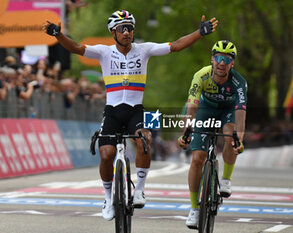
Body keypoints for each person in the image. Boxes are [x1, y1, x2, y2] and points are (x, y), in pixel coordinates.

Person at [42, 10, 218, 221]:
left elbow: (176, 45)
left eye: (130, 28)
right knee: (106, 155)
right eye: (121, 28)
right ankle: (108, 197)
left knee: (144, 141)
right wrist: (58, 35)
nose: (127, 32)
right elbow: (77, 48)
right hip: (113, 111)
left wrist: (199, 33)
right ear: (113, 32)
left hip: (135, 110)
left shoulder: (144, 50)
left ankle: (140, 189)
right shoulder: (103, 52)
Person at [178, 40, 247, 229]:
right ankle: (194, 208)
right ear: (212, 59)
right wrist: (186, 133)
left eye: (227, 59)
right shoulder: (201, 75)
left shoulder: (239, 82)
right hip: (205, 109)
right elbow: (192, 106)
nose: (222, 63)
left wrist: (239, 138)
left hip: (228, 111)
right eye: (218, 58)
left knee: (229, 136)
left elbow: (241, 111)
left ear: (232, 63)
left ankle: (225, 179)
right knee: (197, 159)